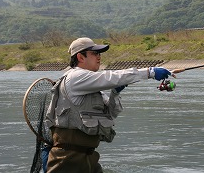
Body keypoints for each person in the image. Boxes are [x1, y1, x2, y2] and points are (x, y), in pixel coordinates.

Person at [44, 37, 175, 172]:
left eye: (99, 54)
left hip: (89, 157)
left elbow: (111, 113)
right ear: (80, 57)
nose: (99, 57)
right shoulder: (75, 77)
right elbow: (112, 77)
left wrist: (115, 93)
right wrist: (150, 72)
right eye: (94, 53)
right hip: (68, 159)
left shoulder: (89, 84)